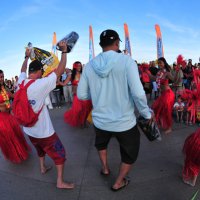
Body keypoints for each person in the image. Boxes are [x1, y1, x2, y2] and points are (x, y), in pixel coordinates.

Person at [77, 29, 152, 191]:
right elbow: (138, 93)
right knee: (129, 153)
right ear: (117, 43)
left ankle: (105, 168)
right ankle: (119, 181)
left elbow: (81, 95)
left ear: (100, 45)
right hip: (124, 122)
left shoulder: (89, 66)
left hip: (100, 121)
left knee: (101, 144)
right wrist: (146, 114)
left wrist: (97, 94)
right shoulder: (127, 62)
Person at [17, 41, 74, 189]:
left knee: (40, 149)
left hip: (28, 130)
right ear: (39, 71)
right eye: (41, 72)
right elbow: (60, 70)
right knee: (60, 154)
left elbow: (23, 68)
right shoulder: (40, 85)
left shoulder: (20, 82)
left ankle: (42, 167)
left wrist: (26, 56)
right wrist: (64, 52)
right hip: (44, 132)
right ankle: (60, 182)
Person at [0, 70, 30, 163]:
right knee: (9, 137)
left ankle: (19, 153)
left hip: (9, 116)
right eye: (0, 77)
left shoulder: (4, 88)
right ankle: (14, 154)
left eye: (2, 76)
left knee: (15, 135)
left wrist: (23, 91)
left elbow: (13, 95)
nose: (1, 78)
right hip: (1, 119)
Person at [64, 61, 92, 128]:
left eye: (80, 65)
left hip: (85, 95)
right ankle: (80, 121)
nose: (79, 67)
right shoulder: (71, 75)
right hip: (76, 95)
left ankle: (83, 122)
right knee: (78, 110)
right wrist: (58, 81)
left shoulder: (84, 74)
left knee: (86, 109)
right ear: (74, 67)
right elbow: (64, 83)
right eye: (78, 65)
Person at [152, 57, 175, 134]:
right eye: (158, 63)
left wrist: (178, 71)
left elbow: (174, 79)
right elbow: (154, 78)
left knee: (167, 111)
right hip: (163, 94)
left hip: (168, 94)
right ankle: (161, 123)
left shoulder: (167, 72)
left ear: (164, 63)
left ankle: (169, 127)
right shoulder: (159, 73)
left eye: (160, 62)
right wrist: (147, 72)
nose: (159, 64)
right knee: (155, 107)